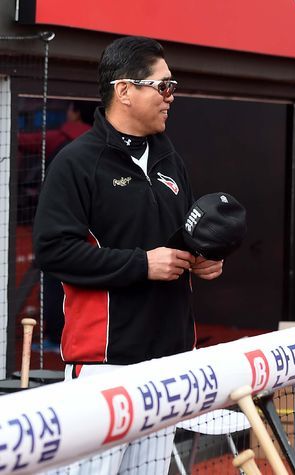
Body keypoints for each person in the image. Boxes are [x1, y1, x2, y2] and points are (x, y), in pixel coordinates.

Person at [33, 36, 223, 474]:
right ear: (124, 90)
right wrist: (143, 264)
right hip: (105, 365)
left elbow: (182, 237)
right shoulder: (76, 162)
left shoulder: (170, 157)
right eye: (163, 86)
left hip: (169, 361)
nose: (171, 96)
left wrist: (203, 258)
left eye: (172, 86)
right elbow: (54, 252)